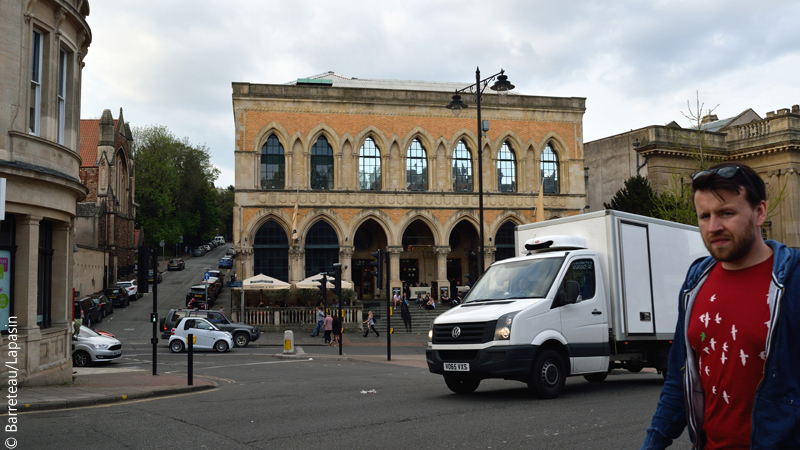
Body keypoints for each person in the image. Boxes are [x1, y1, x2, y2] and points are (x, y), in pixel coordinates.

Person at [641, 163, 800, 449]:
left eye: (726, 213)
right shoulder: (695, 281)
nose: (713, 227)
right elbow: (679, 379)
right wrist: (652, 444)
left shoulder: (793, 279)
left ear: (760, 212)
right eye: (704, 216)